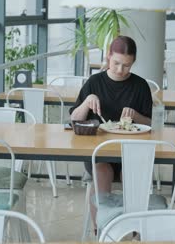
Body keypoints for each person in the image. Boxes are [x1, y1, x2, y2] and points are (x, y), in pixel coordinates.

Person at [69, 35, 153, 232]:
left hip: (131, 150)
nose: (120, 70)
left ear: (133, 63)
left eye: (127, 65)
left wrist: (136, 116)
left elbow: (150, 123)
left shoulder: (140, 86)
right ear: (108, 57)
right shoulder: (94, 82)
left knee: (132, 174)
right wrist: (86, 101)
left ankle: (134, 229)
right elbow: (74, 118)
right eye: (116, 63)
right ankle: (102, 229)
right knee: (101, 171)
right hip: (99, 151)